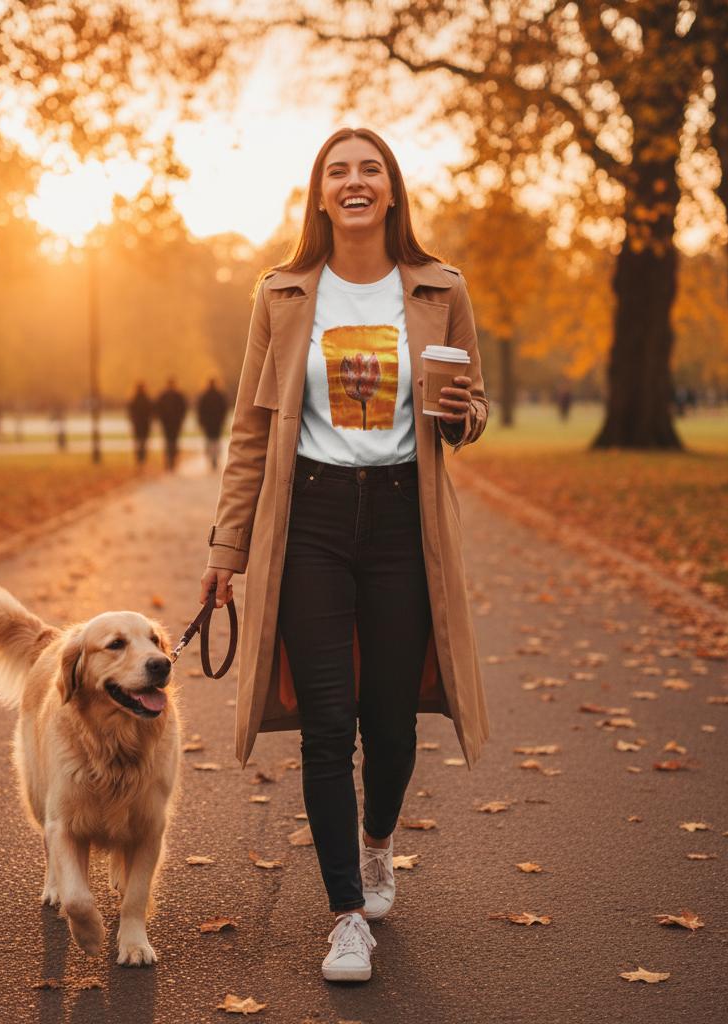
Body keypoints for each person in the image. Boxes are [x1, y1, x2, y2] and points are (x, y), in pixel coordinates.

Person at [199, 128, 490, 984]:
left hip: (404, 523)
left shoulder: (440, 290)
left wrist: (463, 411)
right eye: (339, 171)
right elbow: (252, 433)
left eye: (370, 170)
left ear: (391, 192)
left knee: (391, 723)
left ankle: (376, 842)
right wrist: (227, 545)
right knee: (327, 726)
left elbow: (468, 417)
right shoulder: (285, 295)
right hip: (313, 523)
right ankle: (345, 917)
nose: (355, 182)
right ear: (320, 195)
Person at [195, 377, 229, 471]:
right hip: (217, 423)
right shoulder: (219, 395)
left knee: (209, 440)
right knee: (216, 441)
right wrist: (222, 420)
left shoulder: (204, 396)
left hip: (208, 423)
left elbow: (200, 410)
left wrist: (201, 421)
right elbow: (224, 409)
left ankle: (210, 458)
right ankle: (215, 459)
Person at [154, 378, 187, 471]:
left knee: (169, 442)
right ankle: (171, 460)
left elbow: (157, 410)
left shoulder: (164, 396)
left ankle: (169, 460)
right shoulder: (178, 396)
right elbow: (183, 410)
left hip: (168, 424)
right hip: (172, 424)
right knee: (172, 442)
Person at [127, 382, 153, 465]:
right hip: (143, 424)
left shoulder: (134, 399)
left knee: (139, 441)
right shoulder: (146, 399)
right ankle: (141, 457)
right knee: (142, 441)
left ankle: (140, 457)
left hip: (139, 424)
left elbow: (130, 412)